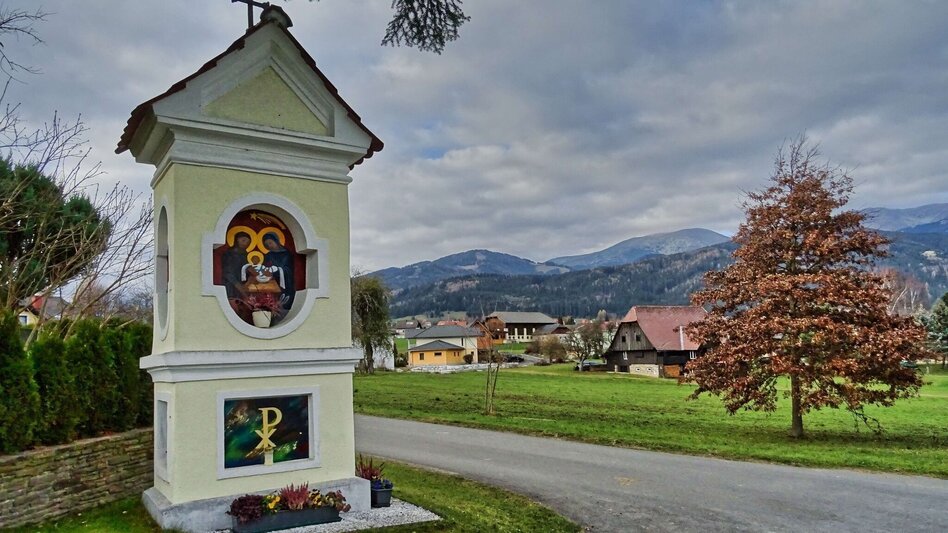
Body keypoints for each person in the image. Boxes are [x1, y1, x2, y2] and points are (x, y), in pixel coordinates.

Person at [262, 232, 295, 310]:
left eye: (270, 243)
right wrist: (264, 271)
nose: (269, 246)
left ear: (276, 241)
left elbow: (288, 270)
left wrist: (276, 271)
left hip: (286, 282)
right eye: (266, 245)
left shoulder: (287, 254)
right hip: (272, 281)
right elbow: (264, 267)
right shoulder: (268, 255)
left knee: (284, 301)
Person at [222, 232, 252, 300]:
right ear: (237, 240)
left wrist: (251, 272)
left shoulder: (244, 254)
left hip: (241, 283)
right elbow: (227, 272)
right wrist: (238, 285)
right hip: (231, 284)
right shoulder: (229, 254)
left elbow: (245, 266)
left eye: (248, 242)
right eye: (243, 240)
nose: (245, 244)